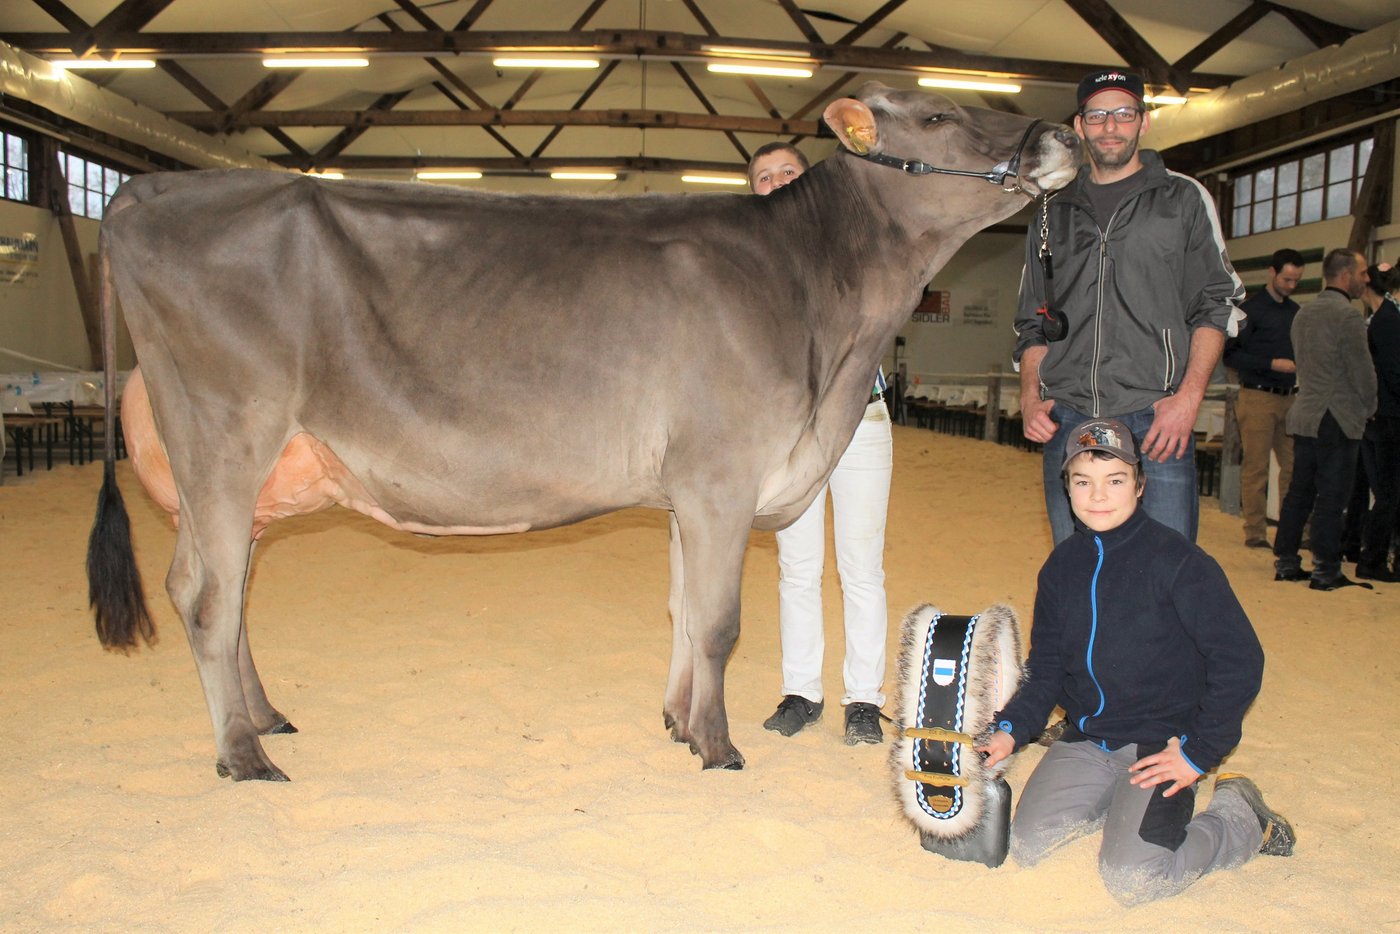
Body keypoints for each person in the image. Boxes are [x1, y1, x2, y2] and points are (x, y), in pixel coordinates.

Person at [976, 417, 1288, 906]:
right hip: (1088, 737)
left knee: (1134, 878)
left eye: (1115, 480)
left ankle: (1243, 818)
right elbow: (1049, 666)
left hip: (1159, 744)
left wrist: (1198, 752)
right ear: (1068, 490)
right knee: (1027, 845)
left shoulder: (1180, 562)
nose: (1098, 495)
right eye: (1084, 482)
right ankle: (1122, 804)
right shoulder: (1061, 568)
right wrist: (1012, 728)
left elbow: (1240, 660)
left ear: (1140, 485)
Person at [1014, 69, 1244, 545]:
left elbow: (1217, 303)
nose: (1110, 127)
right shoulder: (1051, 210)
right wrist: (1031, 396)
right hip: (1069, 417)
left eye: (1123, 113)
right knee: (1077, 568)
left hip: (1157, 417)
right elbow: (1036, 320)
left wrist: (1188, 400)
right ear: (1080, 127)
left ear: (1144, 122)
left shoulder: (1182, 199)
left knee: (1167, 569)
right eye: (1097, 115)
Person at [747, 142, 893, 745]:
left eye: (788, 172)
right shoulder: (745, 260)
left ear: (810, 181)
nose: (777, 181)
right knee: (797, 568)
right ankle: (801, 691)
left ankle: (864, 698)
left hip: (860, 417)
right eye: (764, 176)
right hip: (788, 428)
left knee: (861, 568)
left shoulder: (856, 245)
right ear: (752, 191)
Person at [1273, 249, 1377, 590]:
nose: (1366, 280)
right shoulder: (1347, 317)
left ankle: (1287, 561)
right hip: (1336, 417)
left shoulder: (1303, 314)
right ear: (1345, 276)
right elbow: (1362, 372)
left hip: (1306, 414)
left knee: (1299, 492)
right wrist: (1370, 405)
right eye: (1362, 273)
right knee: (1332, 497)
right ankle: (1325, 568)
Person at [1224, 248, 1305, 548]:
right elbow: (1231, 355)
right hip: (1257, 395)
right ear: (1272, 273)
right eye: (1287, 279)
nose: (1291, 285)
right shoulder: (1250, 310)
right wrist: (1271, 363)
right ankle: (1255, 531)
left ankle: (1291, 530)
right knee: (1257, 467)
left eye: (1296, 280)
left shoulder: (1296, 311)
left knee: (1294, 466)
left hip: (1289, 396)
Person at [1358, 263, 1400, 581]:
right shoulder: (1388, 320)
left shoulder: (1387, 316)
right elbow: (1393, 372)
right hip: (1388, 418)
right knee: (1388, 494)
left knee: (1390, 493)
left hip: (1386, 416)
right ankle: (1371, 560)